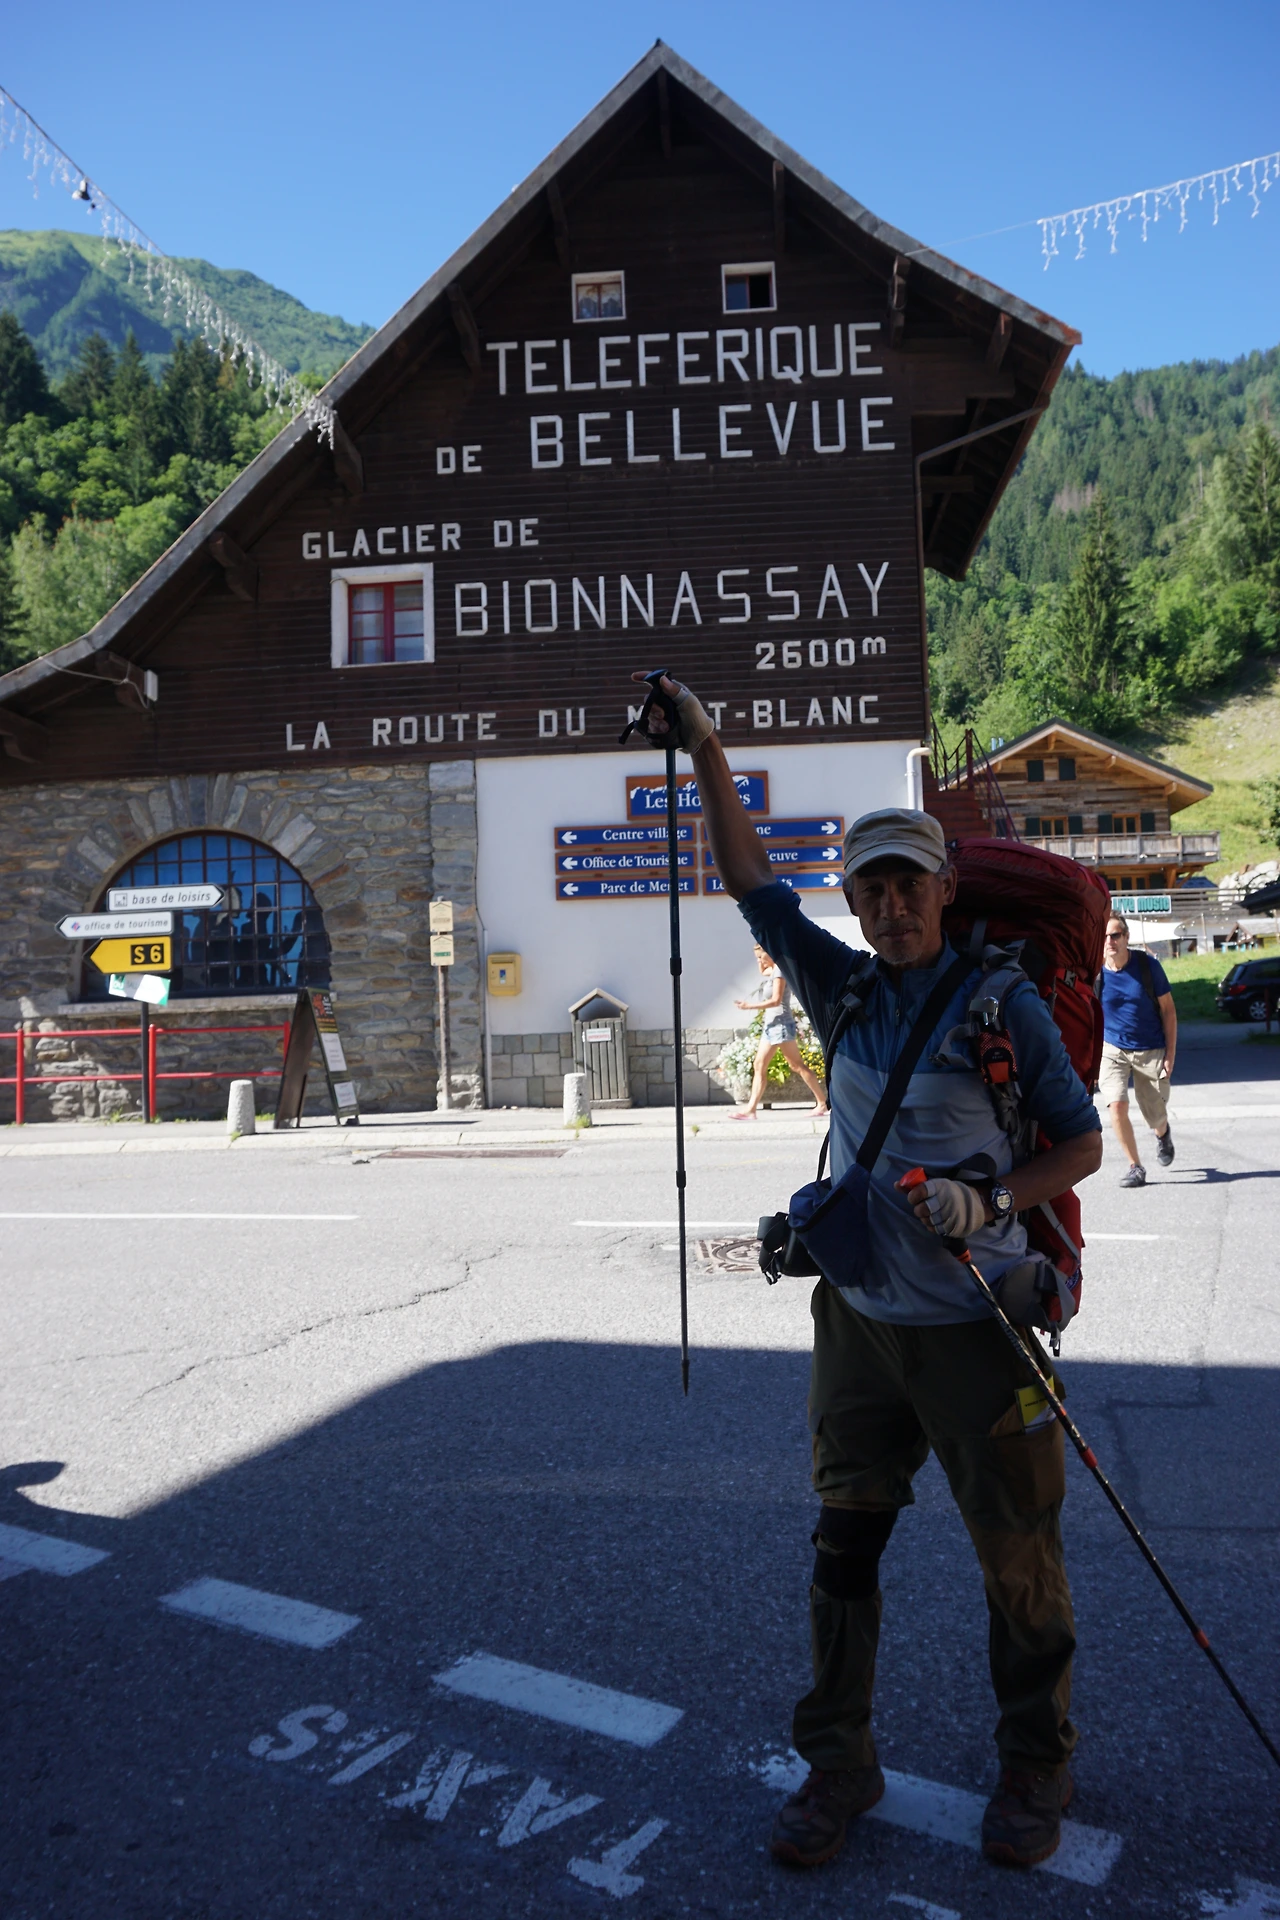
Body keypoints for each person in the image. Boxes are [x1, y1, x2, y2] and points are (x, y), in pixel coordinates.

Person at [631, 672, 1103, 1871]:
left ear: (943, 889)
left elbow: (1080, 1144)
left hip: (978, 1325)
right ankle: (838, 1763)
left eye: (908, 884)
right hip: (856, 1326)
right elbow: (748, 880)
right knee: (842, 1549)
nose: (891, 905)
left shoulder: (999, 1006)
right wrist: (707, 747)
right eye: (871, 888)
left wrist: (987, 1199)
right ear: (850, 901)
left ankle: (1035, 1762)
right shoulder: (836, 987)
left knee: (1016, 1558)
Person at [1097, 914, 1176, 1189]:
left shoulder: (1147, 966)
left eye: (1115, 935)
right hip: (1112, 1048)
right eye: (1105, 937)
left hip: (1150, 1048)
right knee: (1116, 1104)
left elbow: (1169, 1011)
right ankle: (1135, 1167)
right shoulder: (1096, 971)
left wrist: (1170, 1055)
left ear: (1126, 937)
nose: (1110, 941)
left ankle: (1162, 1134)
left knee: (1155, 1113)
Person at [731, 944, 828, 1118]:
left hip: (781, 1024)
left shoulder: (780, 972)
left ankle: (822, 1103)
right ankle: (751, 1110)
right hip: (771, 1026)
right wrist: (760, 961)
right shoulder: (773, 971)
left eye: (761, 957)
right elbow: (763, 971)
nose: (759, 961)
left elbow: (776, 1000)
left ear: (769, 954)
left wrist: (749, 1006)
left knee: (796, 1065)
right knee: (759, 1065)